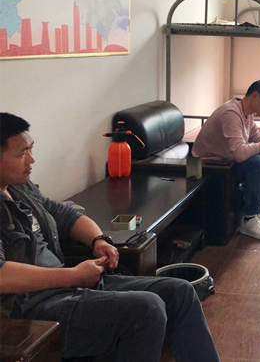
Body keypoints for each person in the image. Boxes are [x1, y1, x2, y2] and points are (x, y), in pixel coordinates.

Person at [0, 113, 220, 362]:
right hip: (31, 306)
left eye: (31, 149)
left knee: (180, 292)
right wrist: (72, 276)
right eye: (22, 154)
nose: (31, 159)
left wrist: (99, 240)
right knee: (147, 309)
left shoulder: (20, 187)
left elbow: (65, 216)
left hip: (66, 285)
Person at [193, 80, 260, 240]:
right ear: (255, 96)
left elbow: (257, 138)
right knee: (258, 162)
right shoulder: (231, 113)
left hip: (228, 158)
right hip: (213, 164)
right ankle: (249, 219)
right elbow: (240, 154)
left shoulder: (247, 113)